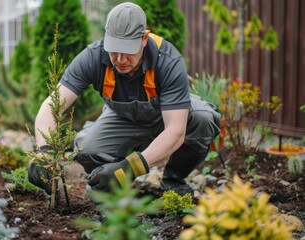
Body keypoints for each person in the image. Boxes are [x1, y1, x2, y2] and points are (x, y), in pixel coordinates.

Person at [28, 2, 220, 195]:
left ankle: (174, 179)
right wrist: (44, 151)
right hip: (122, 118)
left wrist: (130, 168)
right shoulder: (92, 57)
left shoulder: (167, 61)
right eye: (114, 50)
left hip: (167, 114)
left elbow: (176, 130)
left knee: (203, 119)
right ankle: (108, 186)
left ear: (144, 39)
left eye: (127, 51)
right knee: (87, 151)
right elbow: (51, 107)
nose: (119, 60)